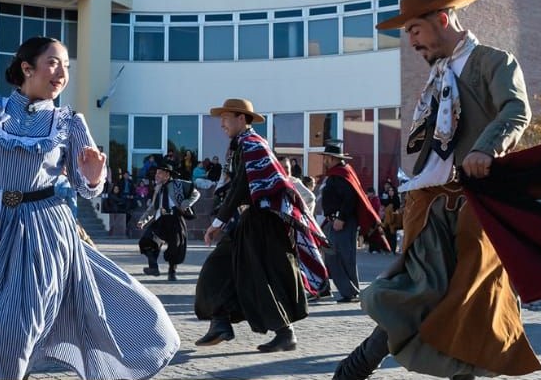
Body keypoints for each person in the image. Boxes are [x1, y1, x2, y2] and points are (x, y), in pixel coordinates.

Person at [0, 36, 178, 379]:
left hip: (44, 231)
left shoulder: (70, 122)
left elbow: (87, 189)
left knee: (22, 321)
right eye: (54, 62)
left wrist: (92, 178)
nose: (62, 73)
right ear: (27, 68)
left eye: (67, 66)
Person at [334, 0, 538, 379]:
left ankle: (358, 365)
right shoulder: (438, 75)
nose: (410, 41)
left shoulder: (493, 62)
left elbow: (516, 110)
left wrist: (486, 149)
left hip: (477, 208)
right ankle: (359, 364)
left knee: (469, 300)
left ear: (442, 20)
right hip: (430, 206)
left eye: (414, 30)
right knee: (418, 288)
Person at [194, 98, 328, 353]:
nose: (222, 123)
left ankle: (282, 333)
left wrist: (218, 222)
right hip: (250, 220)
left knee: (258, 276)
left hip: (262, 221)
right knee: (225, 269)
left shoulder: (253, 145)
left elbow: (242, 187)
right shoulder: (239, 147)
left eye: (226, 117)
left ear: (241, 119)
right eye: (220, 118)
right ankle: (221, 322)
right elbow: (236, 187)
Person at [315, 140, 385, 303]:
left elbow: (349, 198)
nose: (324, 160)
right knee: (337, 256)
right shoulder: (339, 173)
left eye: (326, 157)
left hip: (342, 222)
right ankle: (349, 291)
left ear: (332, 158)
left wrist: (341, 218)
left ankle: (350, 292)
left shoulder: (340, 174)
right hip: (336, 221)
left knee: (341, 256)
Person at [136, 162, 200, 281]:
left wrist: (185, 204)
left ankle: (172, 272)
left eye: (159, 173)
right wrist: (143, 220)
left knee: (175, 247)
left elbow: (196, 194)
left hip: (175, 218)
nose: (157, 175)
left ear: (167, 174)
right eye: (156, 173)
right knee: (147, 241)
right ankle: (153, 267)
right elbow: (153, 208)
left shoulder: (179, 184)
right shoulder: (158, 187)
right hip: (161, 219)